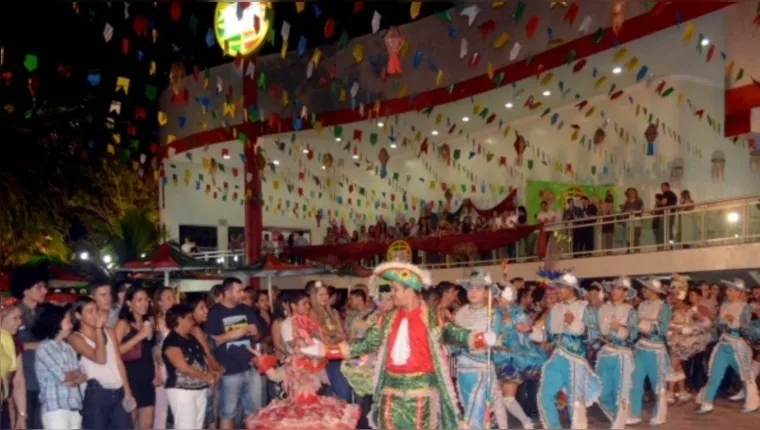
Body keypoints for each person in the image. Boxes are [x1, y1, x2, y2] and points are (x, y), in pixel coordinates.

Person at [312, 261, 497, 429]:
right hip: (390, 391)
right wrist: (326, 350)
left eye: (395, 289)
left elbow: (455, 333)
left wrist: (480, 338)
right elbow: (366, 343)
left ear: (409, 290)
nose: (392, 294)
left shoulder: (433, 316)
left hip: (421, 392)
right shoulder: (388, 318)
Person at [534, 273, 601, 429]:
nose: (557, 291)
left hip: (576, 359)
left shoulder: (586, 308)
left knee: (575, 401)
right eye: (557, 287)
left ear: (571, 288)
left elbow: (594, 337)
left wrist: (575, 324)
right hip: (556, 357)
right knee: (544, 396)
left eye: (561, 287)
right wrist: (530, 330)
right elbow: (549, 336)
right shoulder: (555, 309)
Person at [204, 277, 262, 430]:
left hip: (250, 366)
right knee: (228, 413)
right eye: (239, 290)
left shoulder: (245, 309)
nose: (242, 294)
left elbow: (257, 337)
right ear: (228, 293)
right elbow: (209, 342)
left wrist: (255, 333)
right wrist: (230, 335)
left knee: (255, 411)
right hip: (229, 370)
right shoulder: (214, 312)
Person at [68, 297, 134, 429]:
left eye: (96, 310)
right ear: (78, 315)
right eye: (89, 311)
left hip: (118, 390)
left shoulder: (109, 331)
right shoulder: (75, 337)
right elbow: (100, 359)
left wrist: (127, 391)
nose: (95, 315)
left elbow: (118, 362)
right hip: (97, 392)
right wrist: (98, 330)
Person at [453, 270, 508, 429]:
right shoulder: (460, 313)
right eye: (470, 288)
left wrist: (485, 339)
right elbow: (453, 342)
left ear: (486, 293)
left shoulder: (493, 314)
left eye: (478, 288)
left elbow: (492, 340)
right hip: (462, 370)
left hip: (481, 369)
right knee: (469, 409)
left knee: (475, 412)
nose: (473, 292)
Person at [697, 279, 760, 414]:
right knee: (714, 373)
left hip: (737, 345)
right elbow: (719, 325)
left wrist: (734, 321)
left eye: (731, 290)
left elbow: (746, 328)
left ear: (738, 292)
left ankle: (752, 401)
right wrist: (718, 322)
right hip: (723, 343)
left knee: (745, 375)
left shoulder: (745, 306)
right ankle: (707, 402)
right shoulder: (724, 305)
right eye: (728, 289)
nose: (728, 292)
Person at [494, 284, 547, 429]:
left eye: (505, 297)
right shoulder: (493, 314)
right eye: (500, 297)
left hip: (512, 360)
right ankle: (502, 423)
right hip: (495, 360)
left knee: (508, 398)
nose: (501, 300)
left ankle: (526, 422)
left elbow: (534, 336)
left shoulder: (519, 314)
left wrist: (525, 330)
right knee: (497, 397)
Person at [163, 304, 219, 430]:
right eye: (189, 318)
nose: (192, 321)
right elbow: (183, 367)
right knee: (185, 426)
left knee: (197, 426)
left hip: (200, 388)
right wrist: (206, 377)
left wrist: (211, 372)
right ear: (179, 320)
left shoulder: (191, 337)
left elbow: (202, 359)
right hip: (182, 390)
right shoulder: (172, 341)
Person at [628, 278, 673, 426]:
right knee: (635, 382)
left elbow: (663, 329)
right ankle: (635, 414)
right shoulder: (641, 305)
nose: (643, 291)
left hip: (656, 350)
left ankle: (660, 415)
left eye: (646, 288)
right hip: (640, 348)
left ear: (654, 291)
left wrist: (645, 326)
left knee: (658, 384)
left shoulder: (663, 306)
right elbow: (635, 327)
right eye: (643, 288)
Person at [33, 305, 86, 429]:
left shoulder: (67, 347)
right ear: (57, 323)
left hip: (74, 407)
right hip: (55, 409)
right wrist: (74, 376)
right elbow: (62, 376)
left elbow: (82, 374)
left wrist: (73, 377)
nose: (71, 326)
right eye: (68, 322)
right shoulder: (44, 348)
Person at [595, 277, 638, 429]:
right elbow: (599, 331)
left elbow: (633, 335)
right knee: (602, 393)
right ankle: (619, 418)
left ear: (625, 293)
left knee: (622, 392)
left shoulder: (630, 311)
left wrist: (619, 329)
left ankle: (618, 424)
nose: (614, 291)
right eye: (613, 288)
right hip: (606, 353)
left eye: (619, 289)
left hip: (623, 354)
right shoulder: (602, 309)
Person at [113, 286, 158, 430]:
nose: (144, 303)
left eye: (146, 299)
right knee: (129, 423)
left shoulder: (149, 322)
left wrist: (156, 371)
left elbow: (151, 350)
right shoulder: (123, 324)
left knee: (148, 425)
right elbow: (115, 352)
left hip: (147, 378)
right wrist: (140, 335)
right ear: (129, 303)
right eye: (139, 300)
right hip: (130, 378)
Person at [11, 266, 49, 430]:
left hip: (45, 379)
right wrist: (35, 345)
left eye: (45, 286)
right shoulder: (14, 314)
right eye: (39, 287)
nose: (44, 291)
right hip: (24, 378)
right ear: (25, 290)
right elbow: (8, 343)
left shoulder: (45, 313)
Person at [152, 286, 176, 430]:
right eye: (168, 298)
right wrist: (156, 371)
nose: (172, 300)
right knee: (162, 408)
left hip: (178, 367)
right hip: (161, 367)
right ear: (159, 302)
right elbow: (154, 349)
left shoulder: (179, 320)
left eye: (173, 297)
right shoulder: (154, 322)